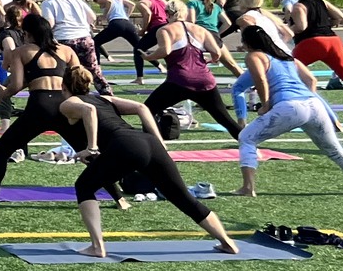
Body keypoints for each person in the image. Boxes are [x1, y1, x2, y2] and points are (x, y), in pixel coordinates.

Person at [54, 64, 237, 258]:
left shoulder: (68, 103)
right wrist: (159, 143)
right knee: (182, 197)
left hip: (125, 145)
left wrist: (91, 148)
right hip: (149, 143)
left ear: (63, 87)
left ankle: (97, 247)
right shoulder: (104, 98)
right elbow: (141, 107)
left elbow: (89, 110)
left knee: (84, 185)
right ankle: (227, 242)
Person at [235, 25, 343, 198]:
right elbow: (311, 80)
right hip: (314, 105)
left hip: (290, 106)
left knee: (246, 137)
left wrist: (266, 105)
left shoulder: (254, 56)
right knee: (334, 150)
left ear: (248, 42)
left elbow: (260, 79)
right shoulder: (286, 57)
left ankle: (248, 188)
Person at [0, 14, 93, 209]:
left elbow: (15, 85)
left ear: (28, 33)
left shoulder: (22, 51)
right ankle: (119, 199)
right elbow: (79, 78)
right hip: (63, 106)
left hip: (38, 106)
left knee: (2, 151)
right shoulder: (66, 50)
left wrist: (2, 94)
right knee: (86, 152)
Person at [143, 0, 242, 137]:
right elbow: (217, 52)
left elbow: (165, 50)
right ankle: (250, 146)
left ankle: (154, 146)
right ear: (185, 12)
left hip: (179, 80)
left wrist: (148, 57)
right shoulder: (201, 30)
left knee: (146, 110)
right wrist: (212, 60)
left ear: (167, 13)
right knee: (225, 120)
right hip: (204, 81)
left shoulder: (165, 30)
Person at [36, 0, 106, 91]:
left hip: (63, 39)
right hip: (84, 37)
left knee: (64, 71)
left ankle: (66, 95)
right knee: (94, 70)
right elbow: (92, 17)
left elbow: (50, 22)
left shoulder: (49, 3)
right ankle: (106, 93)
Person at [91, 0, 149, 82]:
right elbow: (131, 4)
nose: (100, 5)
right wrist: (127, 16)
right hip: (127, 24)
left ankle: (98, 71)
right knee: (139, 48)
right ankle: (143, 76)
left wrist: (105, 15)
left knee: (94, 42)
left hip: (116, 25)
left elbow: (108, 3)